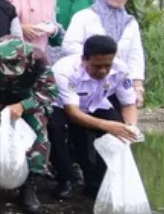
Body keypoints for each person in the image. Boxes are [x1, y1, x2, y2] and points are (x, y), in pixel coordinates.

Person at [49, 35, 140, 201]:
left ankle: (98, 181)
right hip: (64, 107)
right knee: (56, 129)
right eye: (97, 66)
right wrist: (107, 126)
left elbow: (128, 104)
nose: (103, 71)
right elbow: (73, 113)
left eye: (108, 65)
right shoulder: (64, 70)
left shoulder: (121, 69)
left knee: (120, 134)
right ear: (84, 59)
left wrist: (130, 126)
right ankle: (65, 179)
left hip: (97, 103)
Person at [0, 38, 57, 214]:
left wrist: (23, 106)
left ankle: (30, 186)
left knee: (39, 130)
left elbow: (49, 92)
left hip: (30, 99)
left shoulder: (38, 58)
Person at [63, 0, 145, 107]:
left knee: (120, 121)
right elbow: (68, 45)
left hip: (118, 82)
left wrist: (138, 87)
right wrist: (98, 57)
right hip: (88, 80)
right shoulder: (84, 16)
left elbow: (135, 55)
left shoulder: (130, 22)